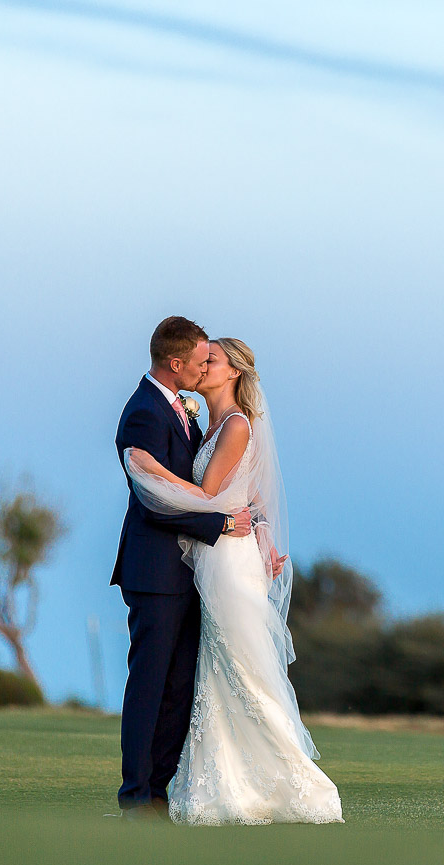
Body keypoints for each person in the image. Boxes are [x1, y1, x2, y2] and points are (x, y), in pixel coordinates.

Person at [121, 330, 344, 825]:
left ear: (234, 372)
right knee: (209, 673)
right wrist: (254, 525)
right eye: (201, 360)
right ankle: (178, 788)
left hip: (225, 559)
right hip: (204, 557)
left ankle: (288, 778)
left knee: (240, 666)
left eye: (213, 361)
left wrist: (151, 471)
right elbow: (235, 495)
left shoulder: (235, 424)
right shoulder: (202, 421)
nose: (204, 367)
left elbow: (209, 491)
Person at [111, 316, 252, 819]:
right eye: (198, 361)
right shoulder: (144, 413)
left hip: (191, 572)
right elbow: (153, 501)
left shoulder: (184, 410)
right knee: (150, 683)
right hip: (156, 572)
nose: (202, 367)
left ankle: (158, 789)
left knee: (178, 686)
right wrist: (219, 526)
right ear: (176, 365)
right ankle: (136, 796)